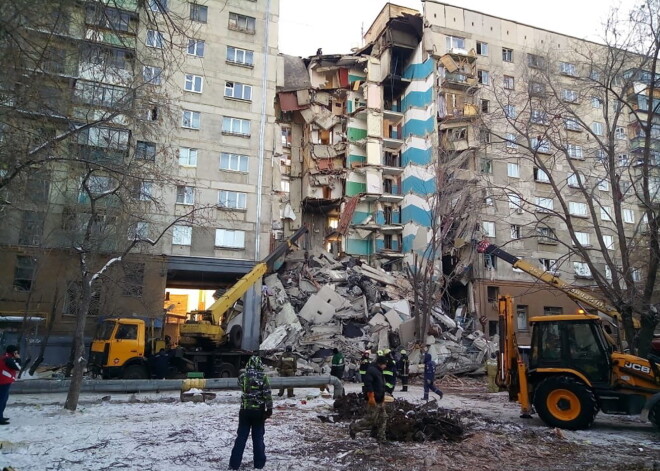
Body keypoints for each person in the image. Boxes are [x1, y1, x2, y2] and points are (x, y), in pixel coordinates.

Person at [229, 355, 273, 470]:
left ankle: (234, 465)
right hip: (258, 412)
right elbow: (267, 393)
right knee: (258, 438)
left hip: (244, 411)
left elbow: (239, 385)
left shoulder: (242, 376)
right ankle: (259, 465)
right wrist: (269, 409)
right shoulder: (263, 377)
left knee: (241, 437)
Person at [349, 355, 388, 443]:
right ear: (380, 363)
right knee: (370, 419)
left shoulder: (379, 371)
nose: (385, 366)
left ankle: (381, 437)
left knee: (383, 418)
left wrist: (382, 398)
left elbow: (380, 385)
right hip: (373, 399)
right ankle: (354, 427)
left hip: (379, 399)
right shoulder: (372, 371)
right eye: (384, 364)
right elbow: (368, 384)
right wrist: (371, 396)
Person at [0, 345, 21, 425]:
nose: (17, 353)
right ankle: (0, 418)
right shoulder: (7, 359)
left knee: (4, 399)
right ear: (13, 352)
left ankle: (1, 416)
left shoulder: (6, 357)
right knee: (1, 400)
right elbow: (18, 367)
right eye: (16, 352)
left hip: (4, 381)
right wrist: (18, 358)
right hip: (3, 382)